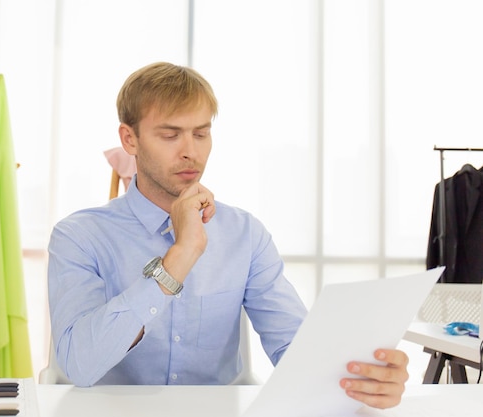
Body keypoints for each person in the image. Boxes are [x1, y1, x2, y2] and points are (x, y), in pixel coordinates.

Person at [47, 62, 409, 409]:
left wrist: (362, 378)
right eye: (170, 134)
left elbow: (295, 349)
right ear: (130, 139)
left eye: (201, 133)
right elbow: (81, 365)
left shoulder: (245, 235)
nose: (191, 151)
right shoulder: (79, 236)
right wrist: (181, 256)